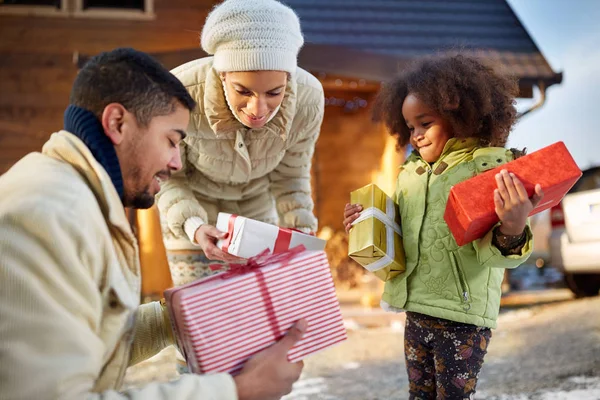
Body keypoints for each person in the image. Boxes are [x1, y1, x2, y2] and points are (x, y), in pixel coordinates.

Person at [0, 47, 305, 400]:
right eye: (171, 140)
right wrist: (235, 391)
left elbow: (88, 339)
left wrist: (177, 316)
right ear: (117, 123)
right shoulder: (49, 218)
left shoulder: (76, 199)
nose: (176, 163)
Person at [343, 54, 544, 399]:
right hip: (417, 309)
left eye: (425, 123)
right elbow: (402, 235)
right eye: (410, 127)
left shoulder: (487, 169)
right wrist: (367, 223)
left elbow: (494, 254)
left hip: (462, 317)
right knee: (419, 395)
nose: (416, 136)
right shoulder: (411, 173)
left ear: (459, 117)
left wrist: (512, 226)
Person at [155, 0, 324, 287]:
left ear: (288, 78)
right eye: (242, 91)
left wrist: (300, 230)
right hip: (192, 208)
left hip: (257, 209)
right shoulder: (178, 93)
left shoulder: (308, 101)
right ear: (223, 75)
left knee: (258, 313)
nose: (258, 109)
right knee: (201, 314)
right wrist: (194, 227)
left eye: (274, 92)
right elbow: (168, 176)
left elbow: (290, 176)